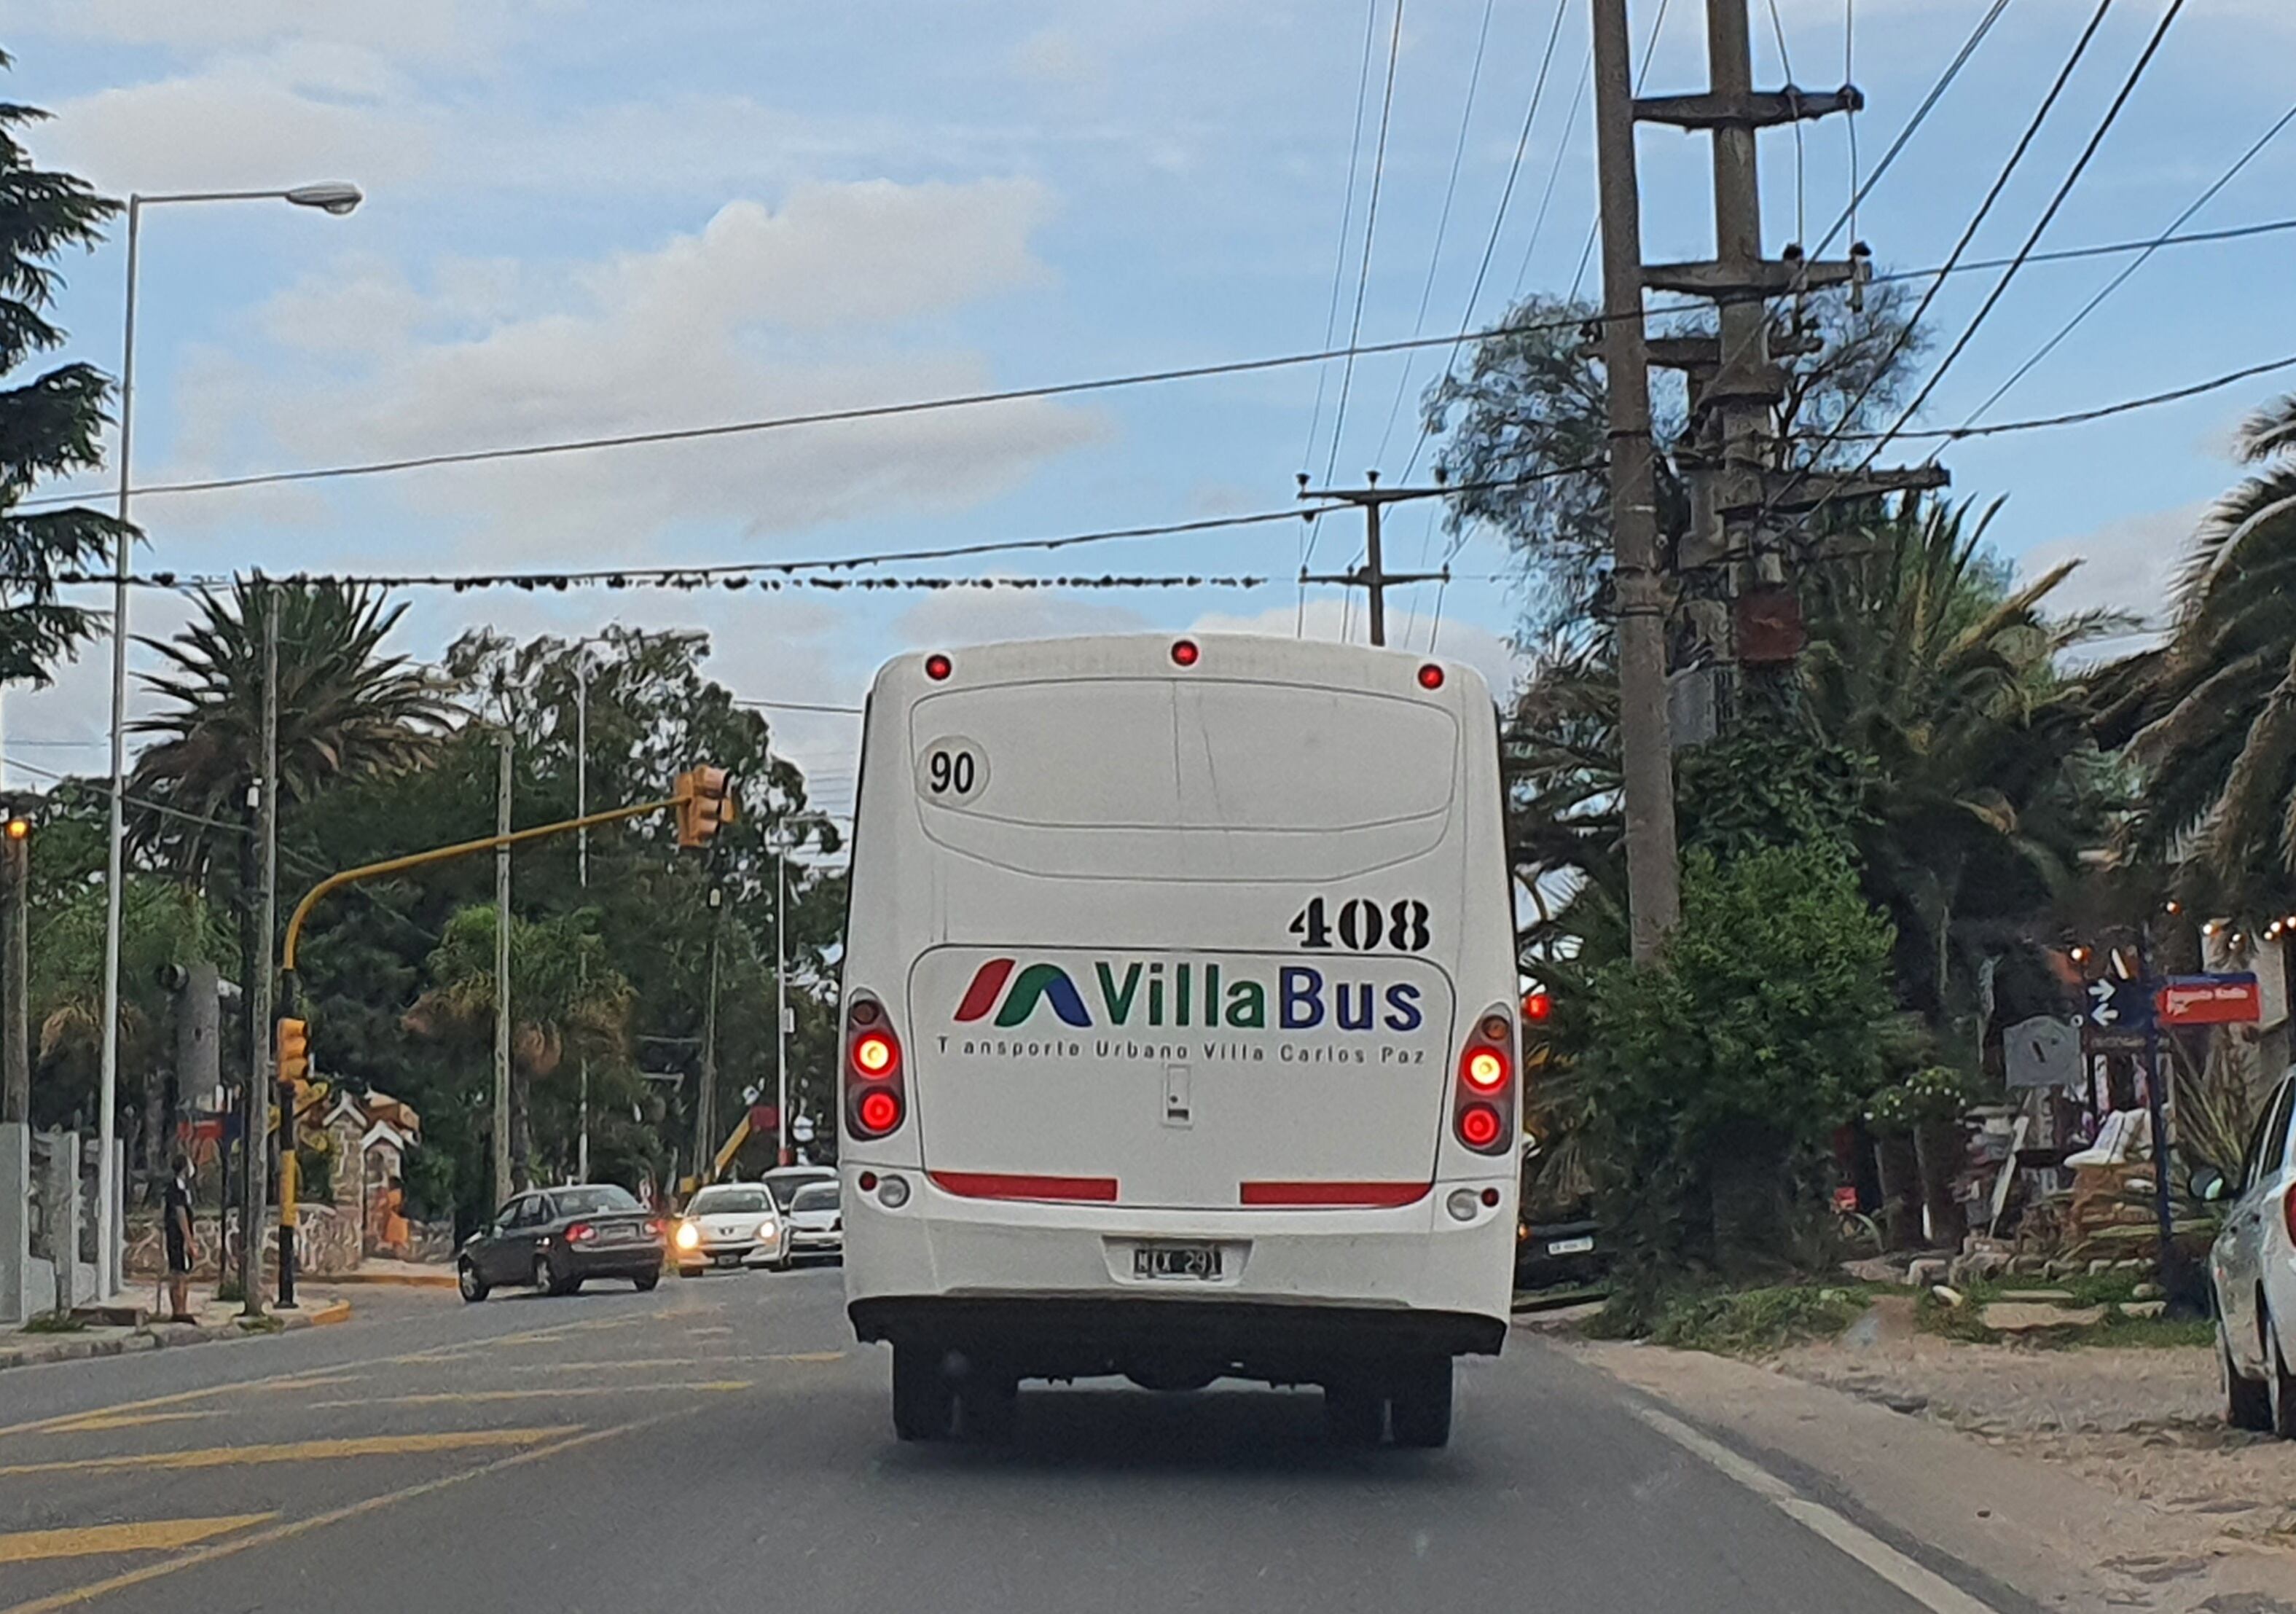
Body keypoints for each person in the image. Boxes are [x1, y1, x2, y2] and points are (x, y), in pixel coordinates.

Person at [163, 1154, 198, 1323]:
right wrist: (189, 1240)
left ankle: (182, 1309)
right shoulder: (175, 1189)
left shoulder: (185, 1188)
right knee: (179, 1274)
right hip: (177, 1238)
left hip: (180, 1237)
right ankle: (178, 1311)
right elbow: (181, 1214)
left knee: (184, 1273)